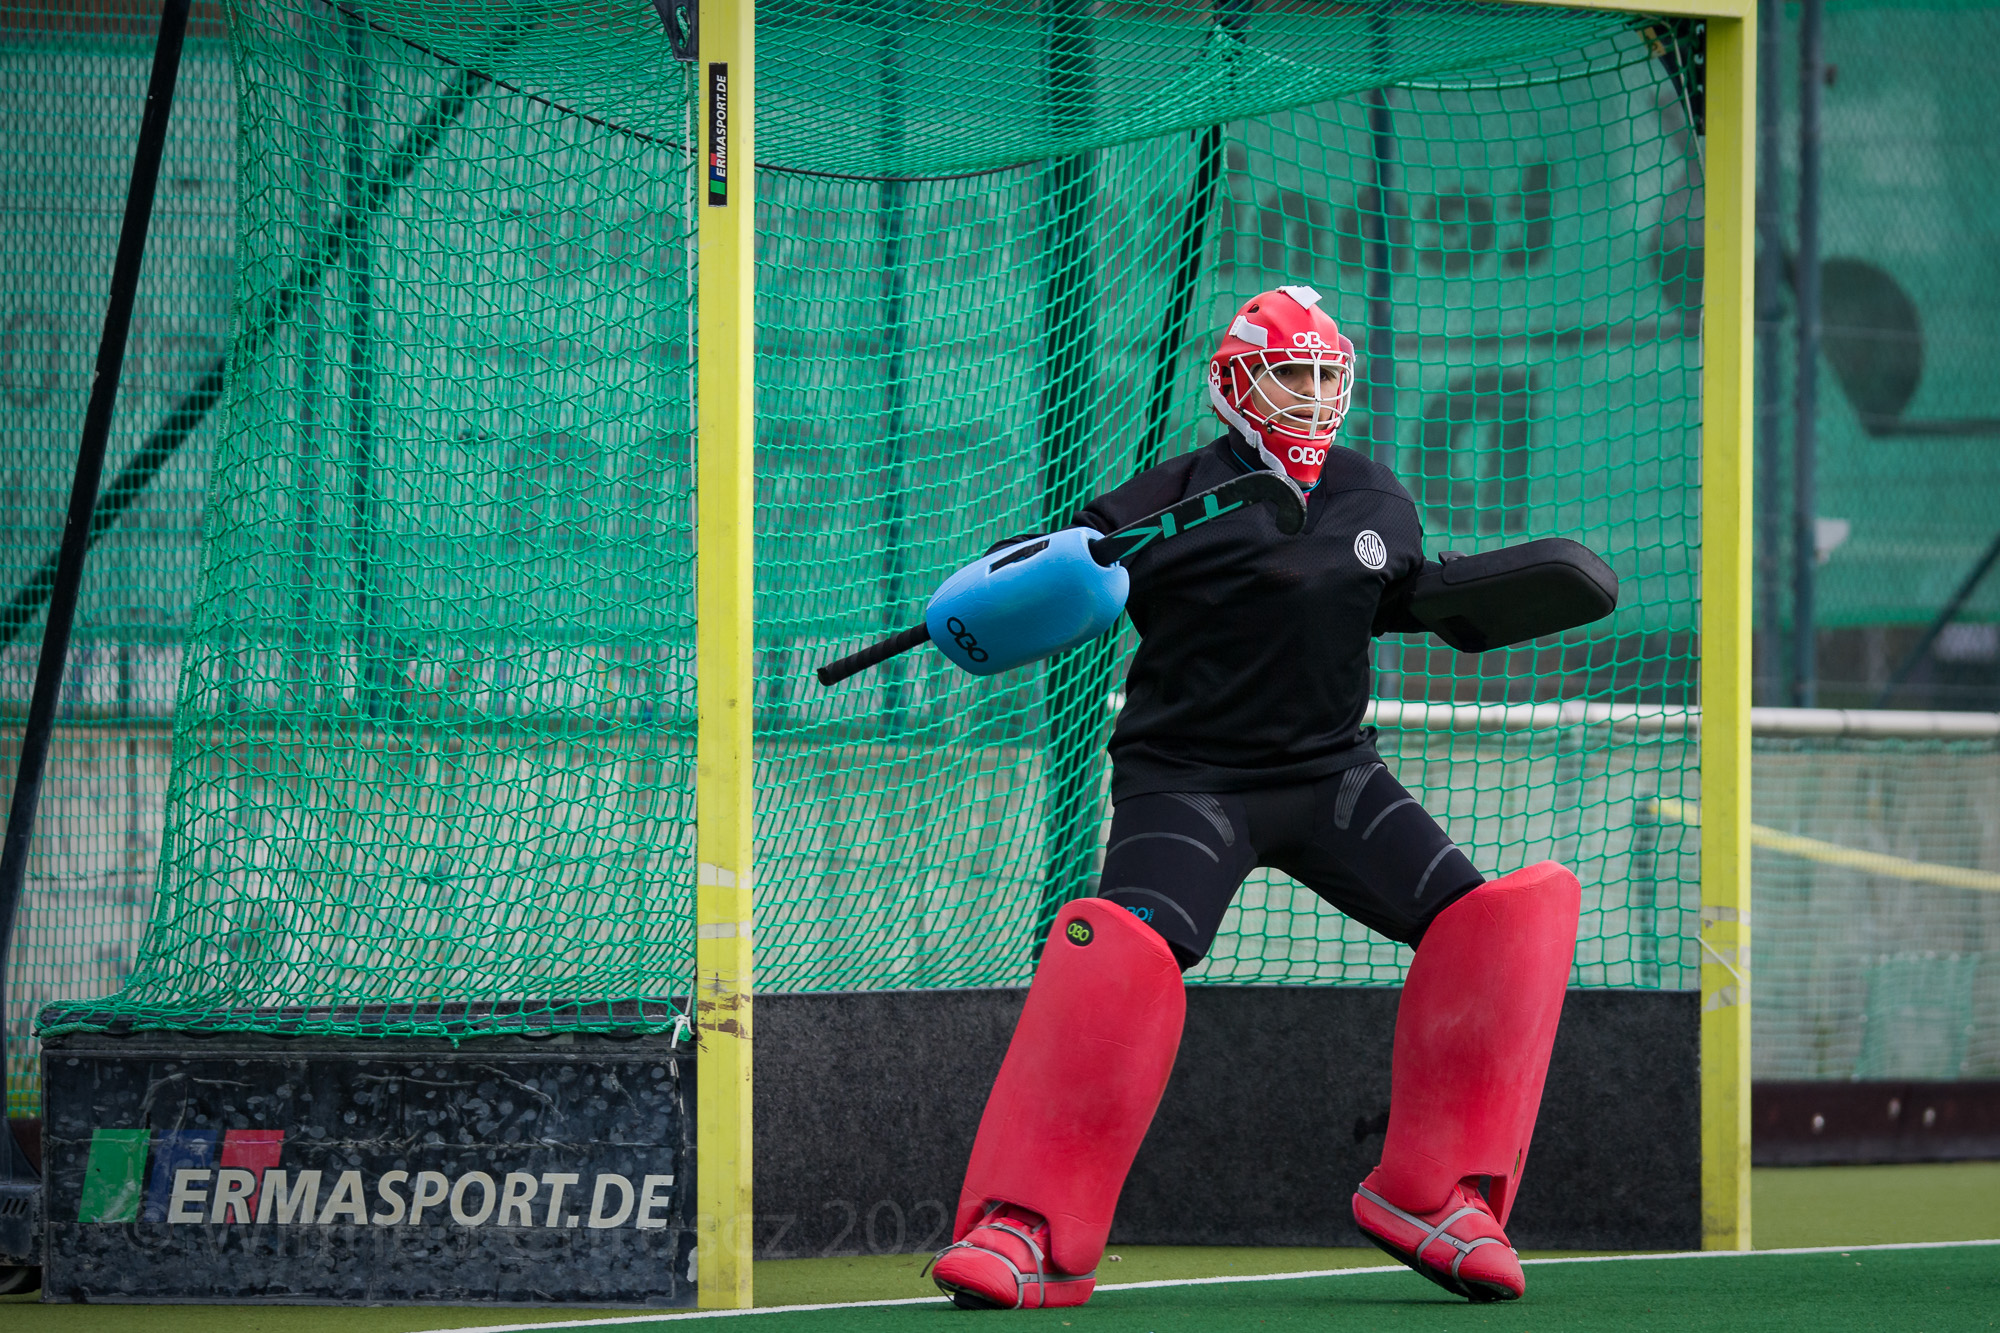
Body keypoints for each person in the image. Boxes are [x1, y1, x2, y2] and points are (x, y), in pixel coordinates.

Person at [925, 285, 1581, 1309]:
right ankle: (1027, 1227)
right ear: (1232, 386)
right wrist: (1019, 587)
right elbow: (1039, 600)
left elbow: (1401, 597)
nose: (1311, 396)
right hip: (1190, 782)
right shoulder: (1149, 506)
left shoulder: (1375, 498)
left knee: (1493, 926)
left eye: (1325, 376)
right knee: (1118, 956)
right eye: (1288, 376)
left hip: (1332, 777)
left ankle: (1435, 1194)